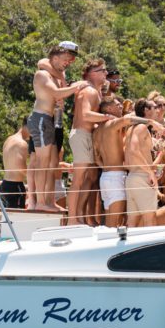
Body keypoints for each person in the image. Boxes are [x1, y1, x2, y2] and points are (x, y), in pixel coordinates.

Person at [27, 44, 88, 211]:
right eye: (64, 60)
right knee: (42, 162)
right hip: (40, 118)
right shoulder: (42, 74)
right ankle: (39, 203)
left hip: (50, 120)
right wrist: (77, 86)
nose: (67, 63)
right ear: (54, 59)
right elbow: (56, 94)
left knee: (51, 163)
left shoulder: (56, 75)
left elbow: (58, 94)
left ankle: (48, 201)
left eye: (69, 60)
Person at [93, 96, 164, 227]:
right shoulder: (112, 124)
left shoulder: (97, 130)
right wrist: (151, 122)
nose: (120, 106)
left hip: (105, 177)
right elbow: (127, 120)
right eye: (117, 105)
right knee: (116, 223)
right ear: (108, 109)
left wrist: (108, 167)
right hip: (117, 177)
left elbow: (96, 157)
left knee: (113, 223)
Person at [67, 58, 112, 225]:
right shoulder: (90, 92)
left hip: (84, 136)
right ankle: (72, 219)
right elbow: (86, 115)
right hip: (81, 135)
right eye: (102, 70)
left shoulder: (94, 91)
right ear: (92, 74)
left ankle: (79, 216)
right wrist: (108, 117)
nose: (106, 73)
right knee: (78, 179)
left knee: (86, 179)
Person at [124, 98, 165, 227]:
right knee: (150, 220)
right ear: (146, 110)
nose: (158, 109)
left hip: (132, 177)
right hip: (142, 177)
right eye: (155, 107)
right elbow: (133, 150)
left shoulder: (131, 129)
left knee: (132, 223)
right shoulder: (141, 127)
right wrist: (150, 172)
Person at [0, 119, 29, 209]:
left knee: (7, 217)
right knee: (17, 218)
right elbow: (21, 168)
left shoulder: (9, 139)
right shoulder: (22, 143)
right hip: (15, 187)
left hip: (4, 184)